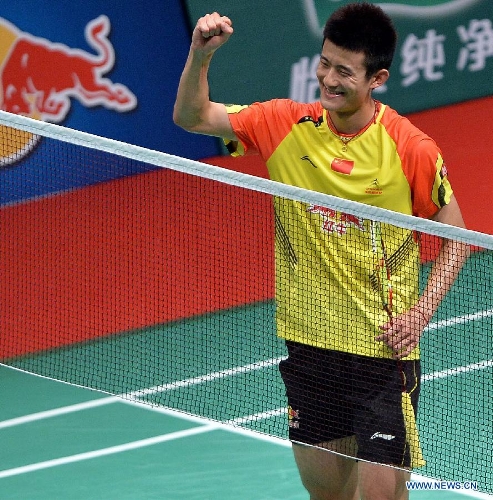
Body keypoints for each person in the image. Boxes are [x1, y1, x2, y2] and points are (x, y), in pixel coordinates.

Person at [173, 4, 469, 499]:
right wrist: (200, 55)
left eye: (344, 72)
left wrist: (422, 312)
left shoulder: (409, 148)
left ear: (377, 78)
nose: (328, 79)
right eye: (325, 63)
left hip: (382, 355)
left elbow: (457, 232)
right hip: (310, 347)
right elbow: (192, 116)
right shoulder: (284, 125)